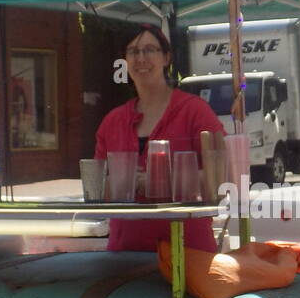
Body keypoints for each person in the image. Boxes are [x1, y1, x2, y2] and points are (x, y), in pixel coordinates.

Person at [94, 24, 225, 252]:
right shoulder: (112, 122)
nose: (141, 58)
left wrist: (160, 180)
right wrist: (120, 183)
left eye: (149, 50)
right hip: (124, 256)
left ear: (166, 58)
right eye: (133, 51)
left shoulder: (195, 111)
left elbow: (222, 178)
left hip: (187, 253)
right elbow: (96, 189)